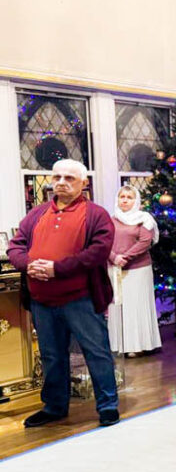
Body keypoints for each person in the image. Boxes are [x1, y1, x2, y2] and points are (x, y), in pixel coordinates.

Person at [7, 159, 120, 428]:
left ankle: (107, 406)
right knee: (51, 355)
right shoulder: (36, 214)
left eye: (69, 178)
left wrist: (58, 269)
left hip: (80, 298)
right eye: (57, 176)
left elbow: (98, 252)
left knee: (97, 352)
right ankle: (55, 406)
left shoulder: (96, 214)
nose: (61, 182)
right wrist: (28, 265)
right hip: (42, 301)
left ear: (83, 183)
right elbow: (15, 246)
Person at [107, 185, 161, 356]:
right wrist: (115, 257)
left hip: (138, 269)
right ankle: (118, 345)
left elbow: (145, 241)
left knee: (136, 306)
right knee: (117, 306)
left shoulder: (144, 219)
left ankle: (137, 346)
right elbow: (103, 241)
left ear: (136, 201)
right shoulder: (110, 220)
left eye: (129, 197)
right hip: (114, 268)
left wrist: (125, 258)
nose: (124, 200)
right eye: (122, 196)